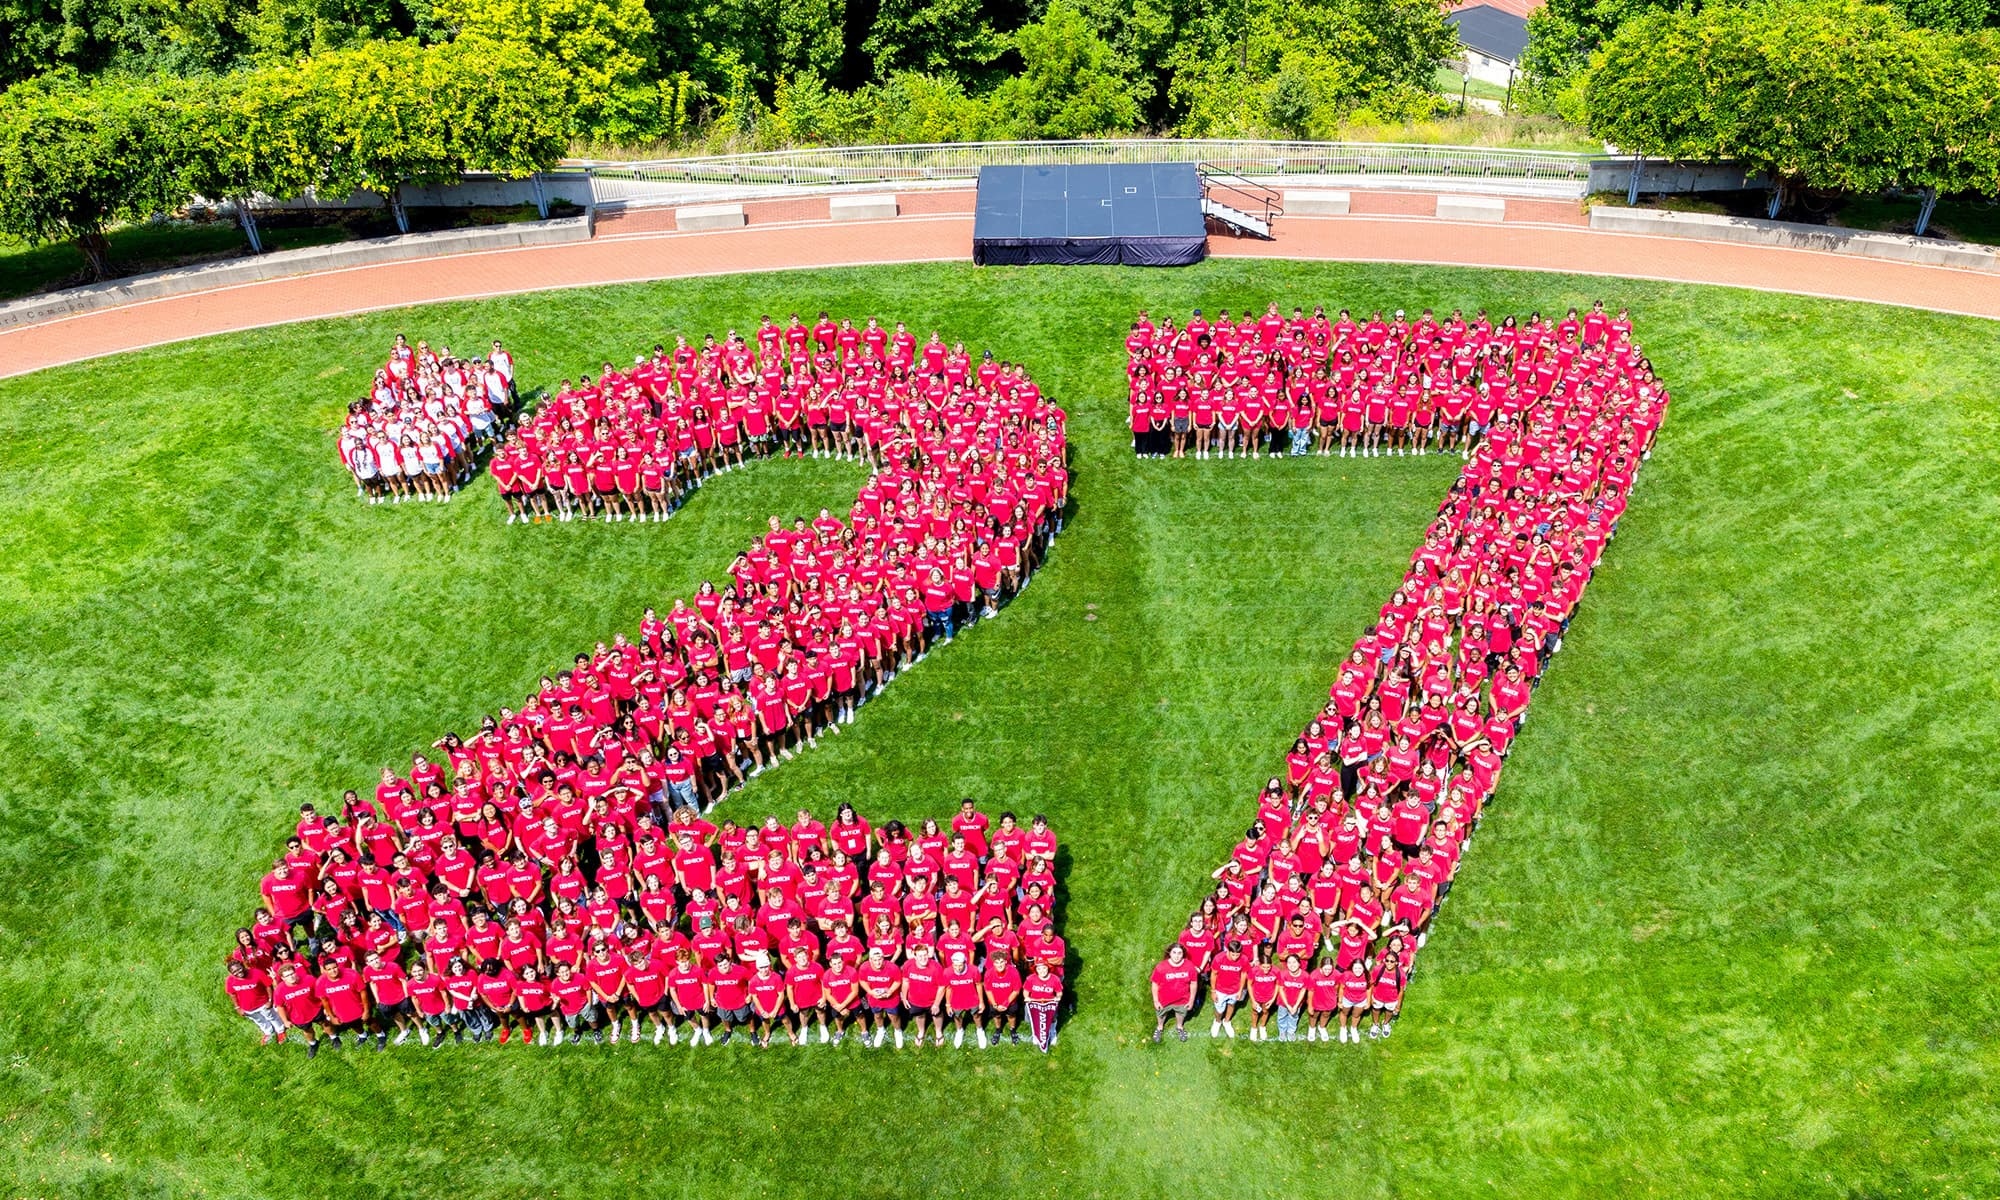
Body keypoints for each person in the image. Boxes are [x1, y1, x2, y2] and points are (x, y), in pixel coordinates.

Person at [1150, 943, 1197, 1043]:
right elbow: (1155, 984)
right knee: (1161, 1014)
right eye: (1174, 952)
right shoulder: (1161, 967)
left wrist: (1191, 1000)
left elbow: (1193, 983)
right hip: (1164, 999)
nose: (1177, 956)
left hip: (1182, 999)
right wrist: (1156, 1000)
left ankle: (1180, 1027)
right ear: (1170, 953)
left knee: (1181, 1014)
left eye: (1179, 953)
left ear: (1183, 954)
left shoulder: (1189, 966)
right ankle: (1160, 1027)